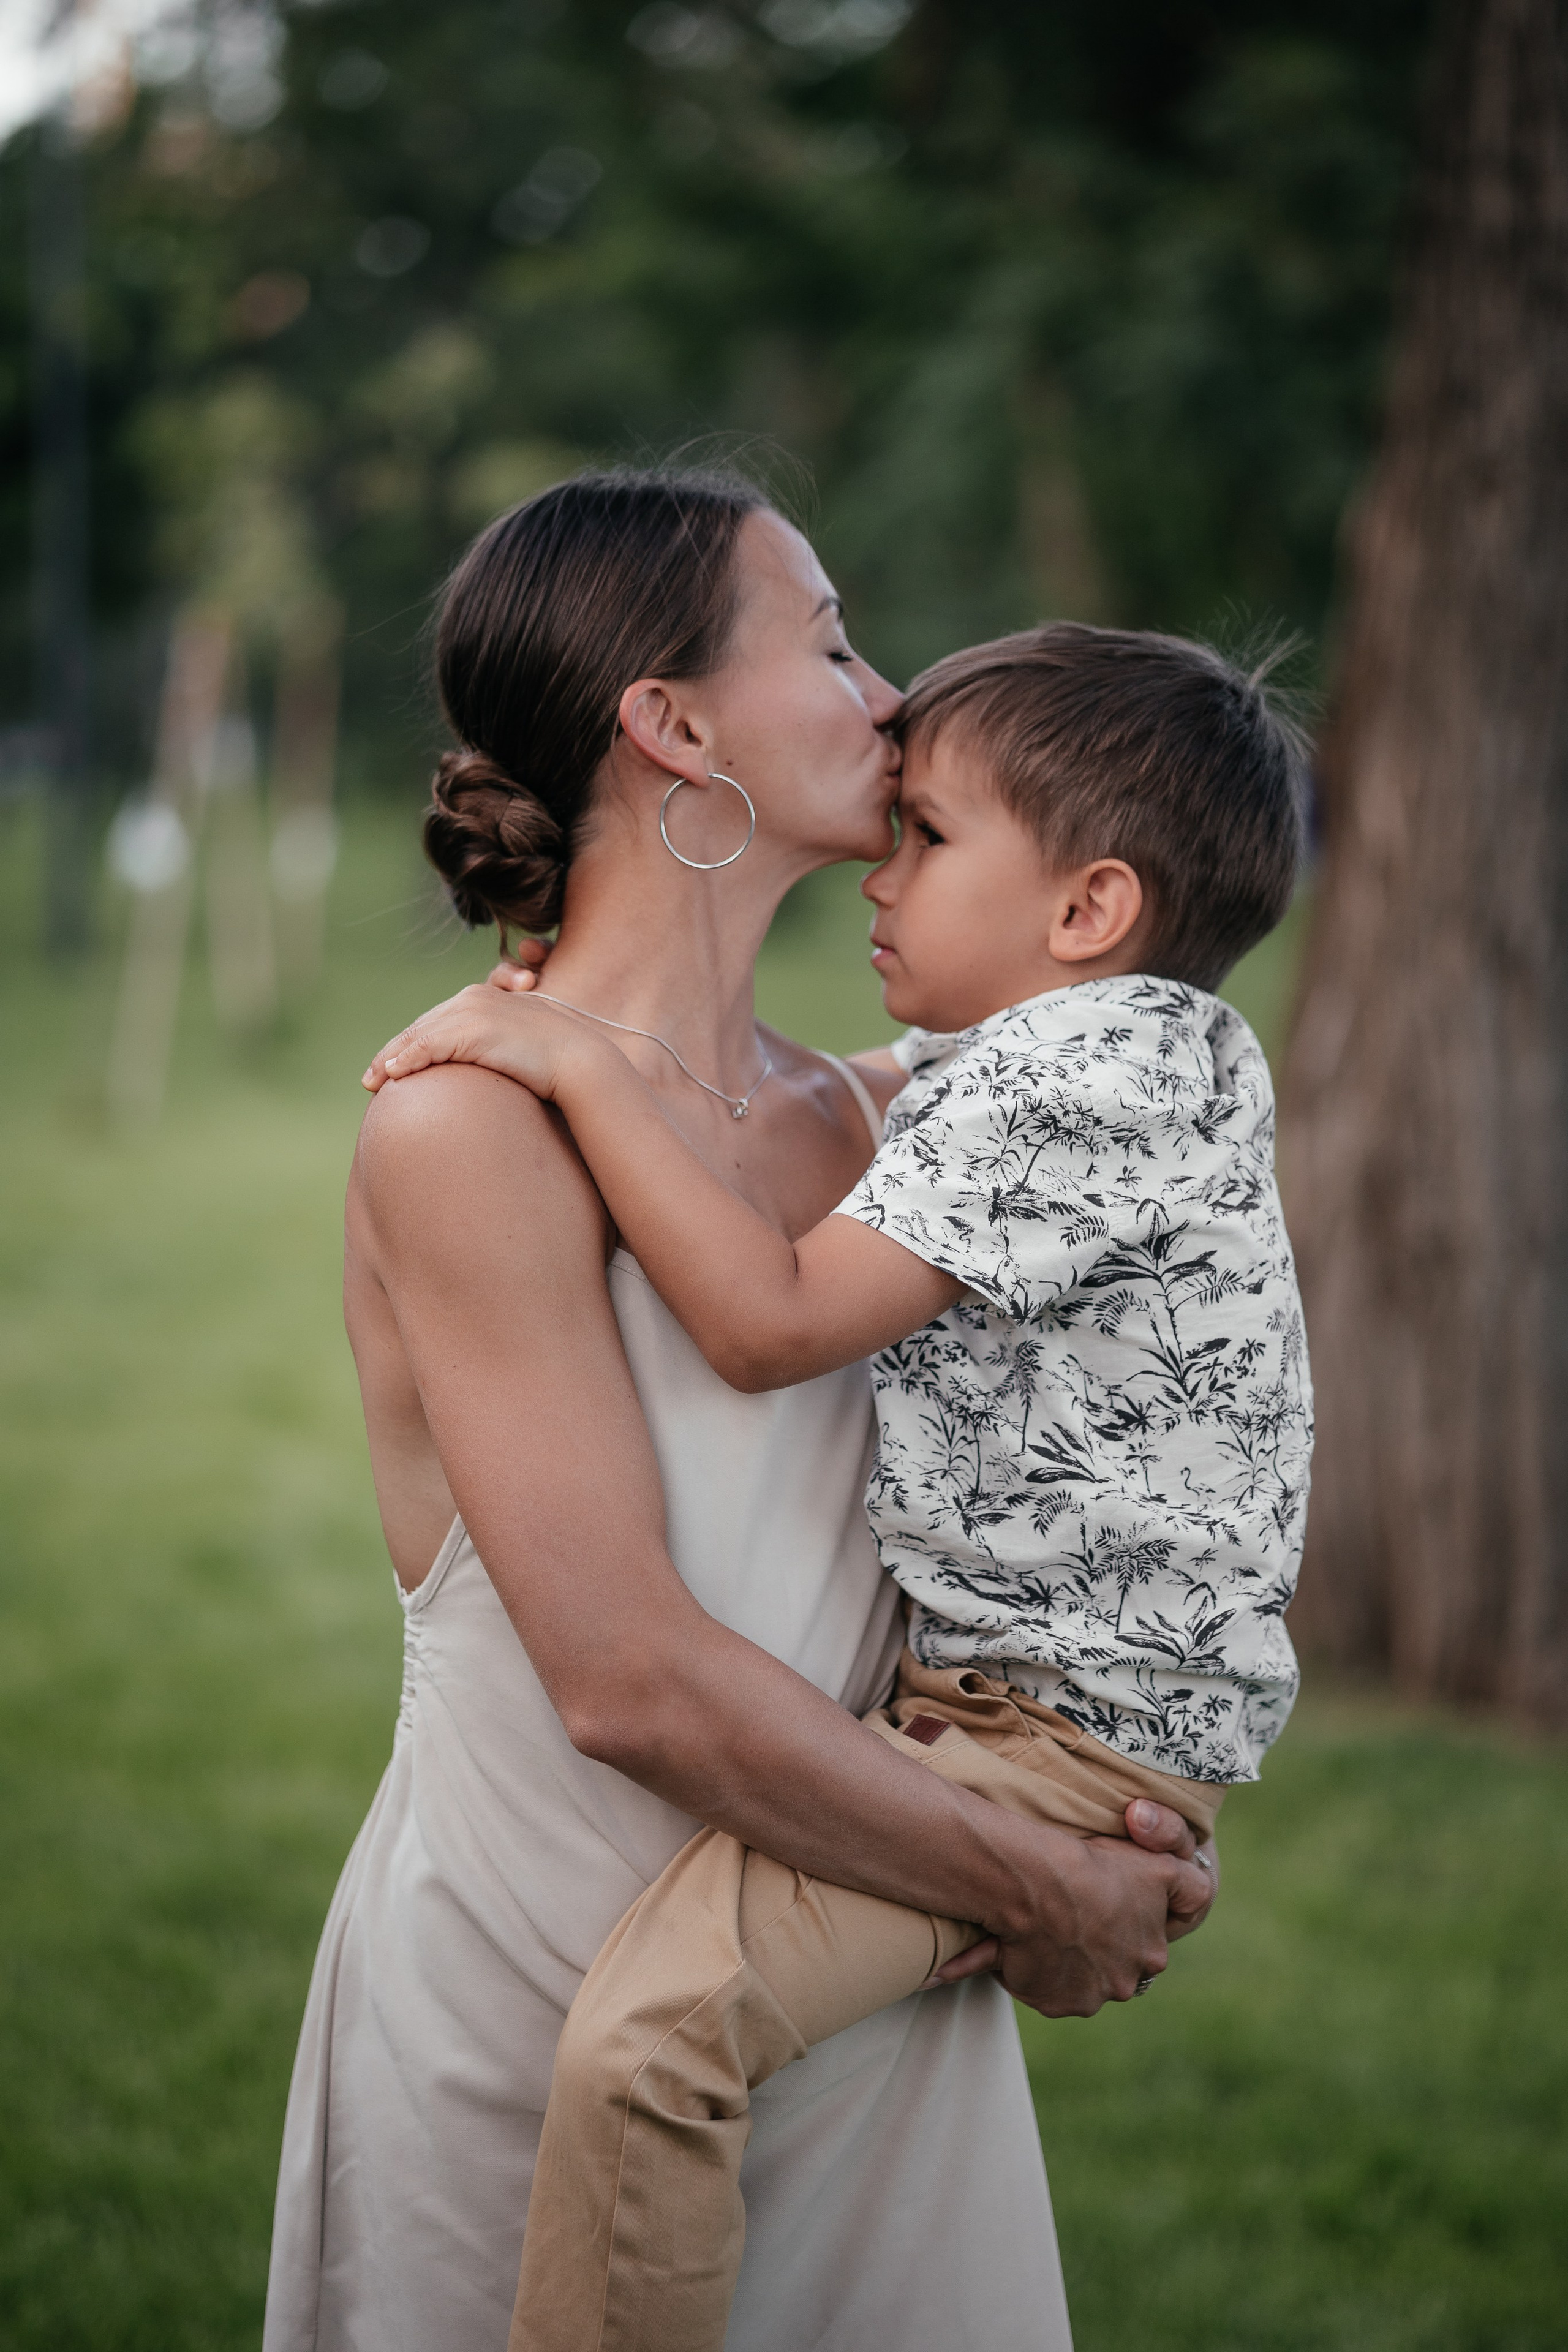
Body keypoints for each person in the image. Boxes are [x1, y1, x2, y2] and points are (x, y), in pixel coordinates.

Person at [264, 469, 1213, 2352]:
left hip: (857, 1990)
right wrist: (1039, 1886)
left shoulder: (891, 1122)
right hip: (544, 2013)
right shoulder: (472, 1123)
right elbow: (626, 1682)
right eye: (834, 641)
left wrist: (1127, 1786)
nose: (892, 693)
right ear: (673, 724)